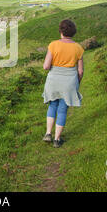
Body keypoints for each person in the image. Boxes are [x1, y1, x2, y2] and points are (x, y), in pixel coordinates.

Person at [42, 19, 84, 148]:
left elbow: (46, 66)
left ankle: (48, 133)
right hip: (69, 82)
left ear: (60, 31)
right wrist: (76, 83)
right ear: (73, 32)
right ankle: (57, 139)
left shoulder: (53, 45)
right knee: (62, 110)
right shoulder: (78, 48)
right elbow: (80, 71)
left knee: (52, 105)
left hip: (53, 80)